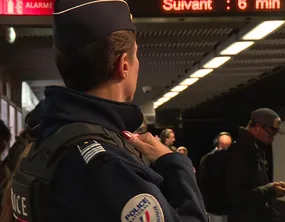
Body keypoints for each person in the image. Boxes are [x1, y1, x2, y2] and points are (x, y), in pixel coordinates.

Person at [11, 0, 208, 222]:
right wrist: (173, 164)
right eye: (136, 54)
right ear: (124, 65)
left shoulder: (48, 136)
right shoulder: (106, 166)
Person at [225, 108, 285, 222]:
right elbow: (237, 196)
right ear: (257, 127)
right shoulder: (239, 153)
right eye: (270, 135)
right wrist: (271, 190)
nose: (271, 139)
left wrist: (272, 188)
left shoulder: (253, 150)